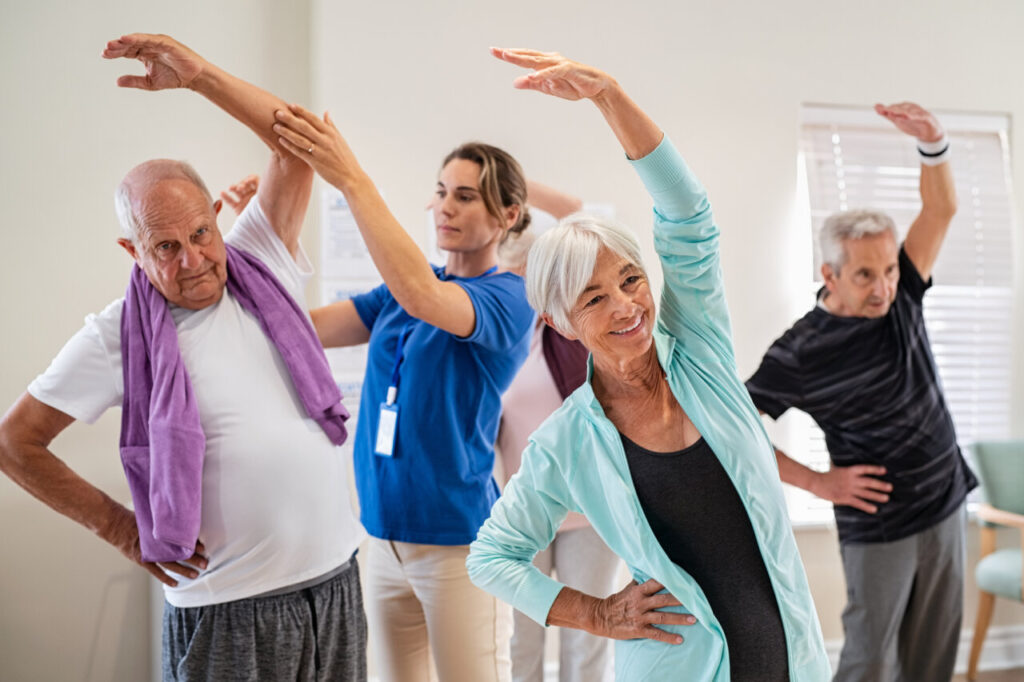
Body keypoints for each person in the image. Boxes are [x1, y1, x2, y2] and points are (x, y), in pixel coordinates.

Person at [0, 33, 366, 681]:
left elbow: (295, 140)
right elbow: (14, 443)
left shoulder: (264, 263)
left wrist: (200, 77)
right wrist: (122, 531)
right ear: (131, 249)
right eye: (164, 247)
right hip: (228, 611)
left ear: (217, 222)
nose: (192, 260)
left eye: (201, 233)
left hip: (334, 585)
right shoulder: (116, 333)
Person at [467, 48, 830, 682]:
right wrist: (595, 614)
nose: (628, 305)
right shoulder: (567, 441)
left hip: (790, 658)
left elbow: (688, 215)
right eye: (594, 297)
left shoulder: (701, 355)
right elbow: (492, 557)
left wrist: (608, 95)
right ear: (558, 322)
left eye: (631, 279)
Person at [272, 94, 535, 681]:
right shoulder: (403, 289)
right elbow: (302, 329)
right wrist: (262, 250)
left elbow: (423, 295)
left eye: (466, 196)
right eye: (442, 191)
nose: (446, 207)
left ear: (508, 215)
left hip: (457, 545)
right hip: (382, 535)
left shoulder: (509, 298)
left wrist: (351, 179)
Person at [745, 102, 975, 681]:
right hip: (879, 524)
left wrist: (934, 141)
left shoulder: (903, 297)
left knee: (933, 657)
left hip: (944, 500)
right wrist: (820, 482)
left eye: (890, 271)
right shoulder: (798, 352)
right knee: (870, 660)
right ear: (830, 274)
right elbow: (735, 433)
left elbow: (941, 207)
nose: (883, 287)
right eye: (866, 275)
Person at [495, 192, 622, 682]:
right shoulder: (501, 340)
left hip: (590, 512)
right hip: (524, 511)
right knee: (519, 640)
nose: (518, 282)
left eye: (526, 271)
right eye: (511, 273)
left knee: (586, 644)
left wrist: (520, 187)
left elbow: (592, 219)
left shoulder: (577, 331)